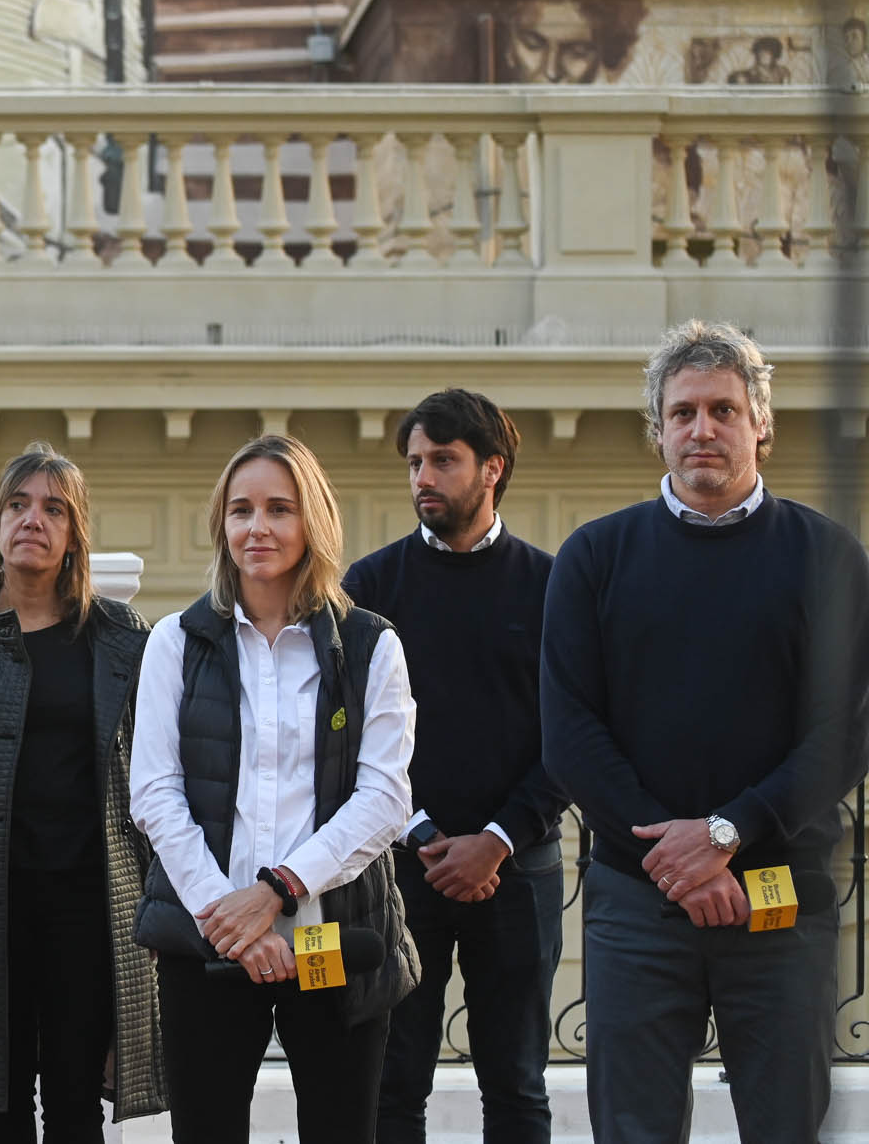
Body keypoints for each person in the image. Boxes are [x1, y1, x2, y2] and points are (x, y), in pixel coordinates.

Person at [542, 321, 869, 1143]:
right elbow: (570, 734)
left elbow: (846, 730)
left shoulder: (827, 557)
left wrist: (729, 831)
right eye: (683, 412)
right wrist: (680, 860)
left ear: (762, 423)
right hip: (635, 901)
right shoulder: (594, 557)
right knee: (633, 1128)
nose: (703, 429)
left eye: (724, 409)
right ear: (657, 430)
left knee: (786, 1124)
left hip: (780, 902)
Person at [130, 434, 418, 1144]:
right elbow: (155, 794)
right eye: (241, 509)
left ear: (312, 521)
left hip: (332, 938)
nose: (257, 527)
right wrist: (229, 918)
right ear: (221, 525)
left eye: (279, 508)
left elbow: (384, 798)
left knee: (341, 1129)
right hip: (210, 943)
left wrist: (276, 891)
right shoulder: (176, 640)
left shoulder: (372, 645)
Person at [0, 443, 165, 1141]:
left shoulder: (119, 636)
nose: (32, 520)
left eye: (52, 508)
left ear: (74, 531)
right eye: (18, 504)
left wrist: (161, 901)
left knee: (76, 1100)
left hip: (89, 902)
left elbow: (152, 780)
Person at [346, 390, 566, 1144]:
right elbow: (347, 735)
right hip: (405, 867)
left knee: (516, 1083)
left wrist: (497, 838)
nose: (423, 477)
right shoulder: (369, 588)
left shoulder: (551, 585)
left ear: (492, 468)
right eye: (415, 462)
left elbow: (569, 735)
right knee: (393, 1082)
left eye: (443, 459)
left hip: (520, 868)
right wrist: (425, 832)